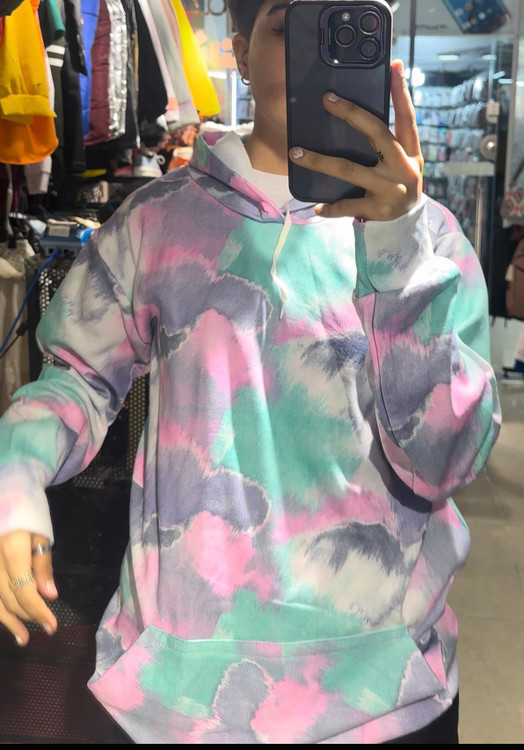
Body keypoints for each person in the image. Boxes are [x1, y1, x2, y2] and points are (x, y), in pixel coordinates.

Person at [0, 0, 501, 744]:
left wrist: (398, 252)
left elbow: (444, 462)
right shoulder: (157, 221)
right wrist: (15, 475)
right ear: (237, 48)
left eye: (344, 24)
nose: (319, 57)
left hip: (388, 694)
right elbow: (77, 376)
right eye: (290, 26)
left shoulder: (430, 240)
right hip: (182, 698)